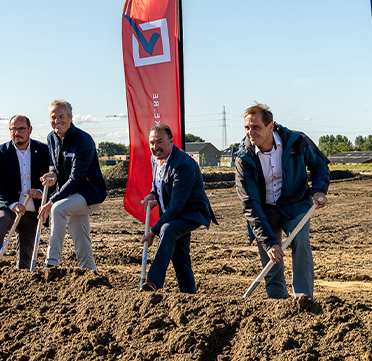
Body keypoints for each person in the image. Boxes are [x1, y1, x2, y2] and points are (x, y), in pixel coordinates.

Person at [235, 104, 330, 299]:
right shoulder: (244, 158)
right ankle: (278, 302)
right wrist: (269, 242)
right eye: (247, 128)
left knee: (300, 240)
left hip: (294, 205)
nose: (250, 133)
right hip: (263, 211)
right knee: (272, 259)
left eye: (256, 127)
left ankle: (303, 298)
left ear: (270, 127)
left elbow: (320, 165)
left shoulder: (297, 142)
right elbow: (249, 203)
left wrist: (318, 190)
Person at [140, 125, 217, 293]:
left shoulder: (183, 165)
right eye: (152, 142)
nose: (155, 146)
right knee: (180, 259)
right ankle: (190, 297)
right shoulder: (156, 159)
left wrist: (153, 231)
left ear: (171, 141)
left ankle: (153, 282)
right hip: (174, 212)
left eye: (160, 141)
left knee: (167, 229)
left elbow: (177, 206)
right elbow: (158, 183)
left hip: (191, 212)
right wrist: (153, 194)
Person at [38, 100, 107, 271]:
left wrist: (51, 201)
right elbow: (55, 166)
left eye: (61, 116)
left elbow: (76, 177)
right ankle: (91, 272)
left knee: (57, 209)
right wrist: (53, 174)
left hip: (90, 193)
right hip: (71, 195)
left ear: (70, 117)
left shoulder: (83, 140)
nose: (57, 121)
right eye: (53, 117)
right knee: (81, 238)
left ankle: (51, 264)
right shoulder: (51, 138)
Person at [0, 115, 52, 269]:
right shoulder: (1, 151)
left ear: (30, 130)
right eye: (13, 129)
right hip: (7, 204)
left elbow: (53, 179)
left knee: (27, 253)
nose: (17, 132)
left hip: (33, 208)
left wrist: (40, 191)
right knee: (0, 222)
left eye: (21, 129)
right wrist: (13, 204)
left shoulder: (43, 150)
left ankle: (22, 276)